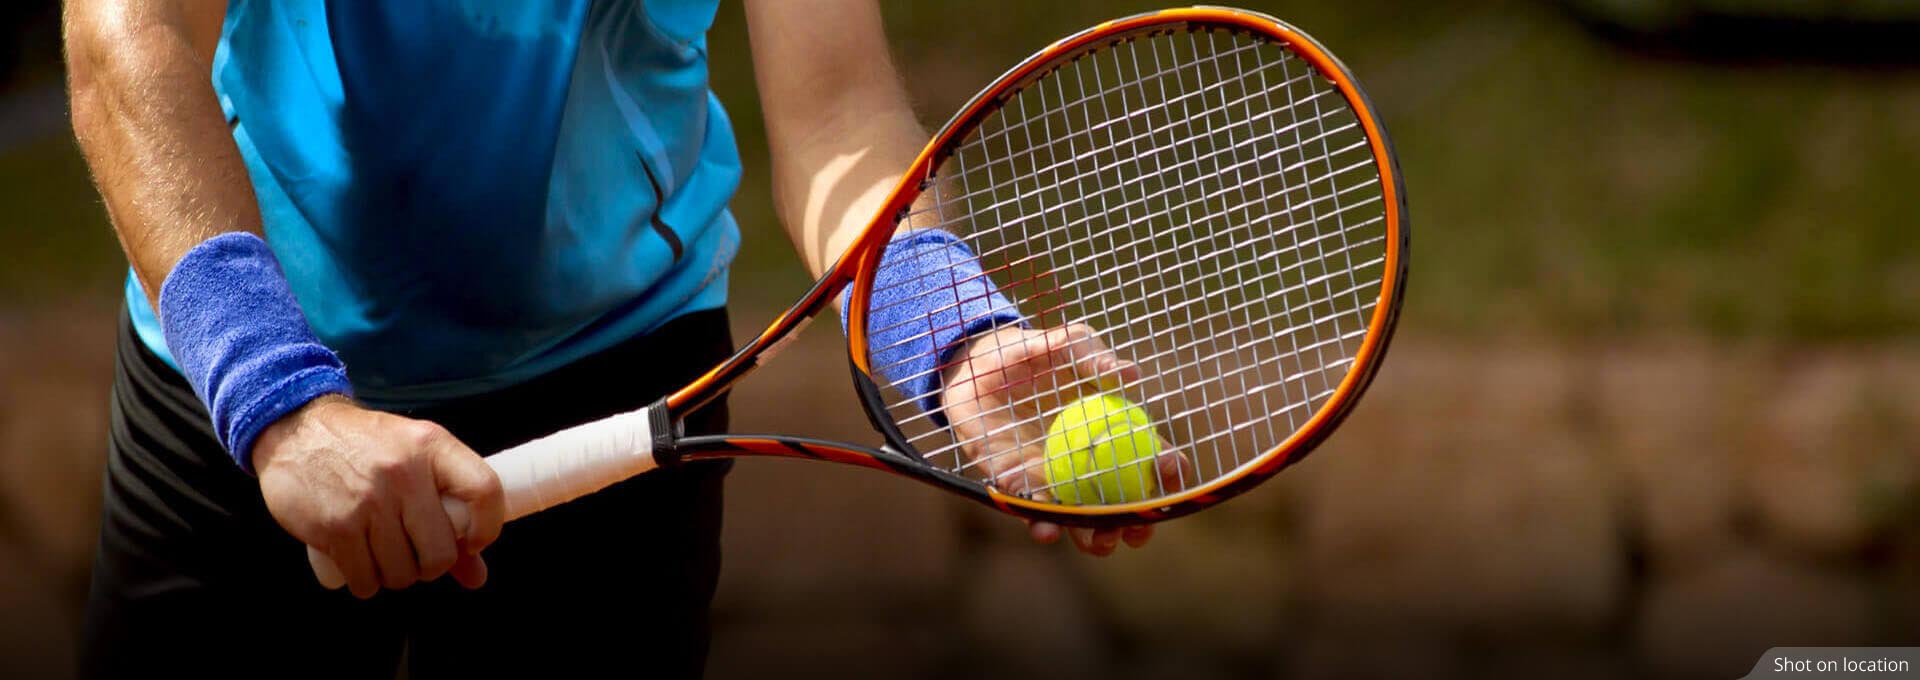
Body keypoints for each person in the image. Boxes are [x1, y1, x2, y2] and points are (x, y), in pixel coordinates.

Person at [66, 0, 1166, 676]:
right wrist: (282, 402)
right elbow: (125, 36)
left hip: (618, 378)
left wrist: (948, 332)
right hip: (235, 376)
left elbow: (837, 114)